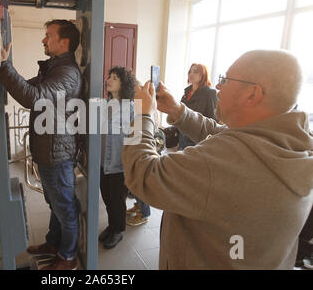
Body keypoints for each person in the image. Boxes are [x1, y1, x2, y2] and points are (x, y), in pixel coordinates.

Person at [122, 49, 313, 269]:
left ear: (253, 94)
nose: (218, 87)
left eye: (225, 79)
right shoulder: (293, 143)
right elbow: (221, 132)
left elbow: (143, 173)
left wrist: (142, 116)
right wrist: (177, 110)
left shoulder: (224, 160)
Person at [0, 19, 82, 270]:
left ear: (64, 42)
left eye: (48, 36)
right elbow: (28, 86)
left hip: (57, 153)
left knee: (64, 205)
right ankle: (54, 243)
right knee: (54, 202)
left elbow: (34, 98)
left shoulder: (67, 73)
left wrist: (5, 66)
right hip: (48, 149)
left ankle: (68, 257)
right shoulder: (53, 69)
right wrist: (3, 69)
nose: (44, 39)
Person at [98, 66, 135, 249]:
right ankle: (112, 226)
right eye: (109, 77)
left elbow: (134, 138)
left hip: (118, 163)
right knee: (106, 196)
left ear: (123, 84)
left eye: (115, 78)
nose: (109, 80)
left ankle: (119, 230)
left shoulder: (130, 107)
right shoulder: (104, 104)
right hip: (102, 160)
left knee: (117, 199)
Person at [178, 63, 218, 150]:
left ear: (203, 75)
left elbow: (213, 119)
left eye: (195, 72)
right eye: (190, 72)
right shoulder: (187, 92)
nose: (191, 74)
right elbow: (181, 113)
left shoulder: (210, 93)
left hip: (198, 139)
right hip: (183, 137)